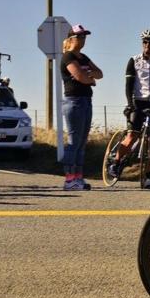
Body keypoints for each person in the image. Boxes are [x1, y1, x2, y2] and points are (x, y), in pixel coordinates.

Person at [108, 29, 150, 189]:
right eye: (145, 42)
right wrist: (130, 104)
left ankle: (148, 177)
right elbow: (128, 86)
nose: (147, 45)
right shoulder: (134, 61)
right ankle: (115, 162)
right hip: (138, 102)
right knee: (131, 136)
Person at [60, 24, 103, 190]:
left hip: (86, 101)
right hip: (74, 102)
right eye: (79, 36)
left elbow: (100, 73)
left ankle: (78, 177)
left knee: (82, 142)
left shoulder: (84, 57)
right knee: (73, 141)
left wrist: (90, 76)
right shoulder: (68, 57)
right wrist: (90, 79)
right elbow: (80, 77)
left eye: (84, 36)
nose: (83, 39)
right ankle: (69, 179)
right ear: (71, 38)